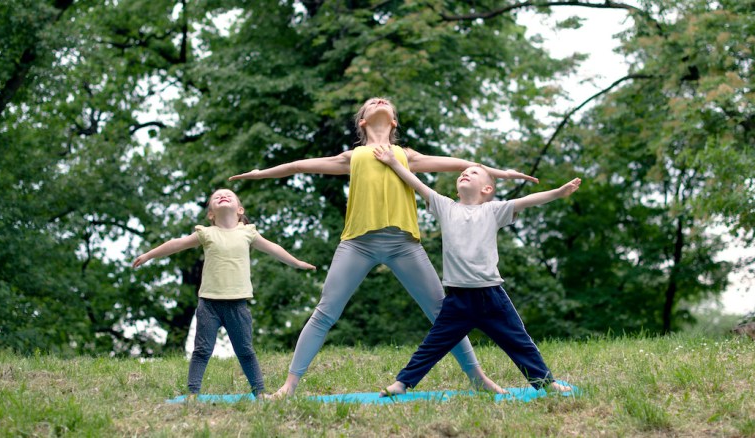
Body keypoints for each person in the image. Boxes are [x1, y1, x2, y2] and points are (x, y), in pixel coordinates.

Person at [229, 97, 539, 398]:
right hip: (357, 244)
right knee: (325, 312)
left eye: (384, 102)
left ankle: (478, 378)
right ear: (362, 121)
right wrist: (261, 173)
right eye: (371, 103)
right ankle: (289, 386)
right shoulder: (353, 157)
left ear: (393, 121)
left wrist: (503, 173)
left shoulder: (405, 155)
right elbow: (298, 166)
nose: (379, 101)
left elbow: (464, 165)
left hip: (404, 244)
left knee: (442, 312)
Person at [371, 144, 580, 396]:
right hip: (457, 299)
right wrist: (393, 162)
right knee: (433, 345)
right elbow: (417, 184)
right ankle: (402, 383)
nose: (464, 174)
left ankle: (547, 383)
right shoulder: (446, 207)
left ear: (487, 189)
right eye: (462, 173)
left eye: (473, 173)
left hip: (491, 297)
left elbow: (527, 201)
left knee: (519, 342)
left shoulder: (493, 211)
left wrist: (558, 192)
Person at [132, 189, 316, 397]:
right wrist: (148, 255)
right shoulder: (206, 233)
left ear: (239, 209)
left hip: (238, 305)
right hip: (209, 304)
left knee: (245, 351)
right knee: (201, 351)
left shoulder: (248, 233)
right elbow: (177, 244)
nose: (222, 196)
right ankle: (193, 394)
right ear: (211, 214)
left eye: (228, 195)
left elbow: (273, 248)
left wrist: (297, 263)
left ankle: (260, 393)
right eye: (216, 197)